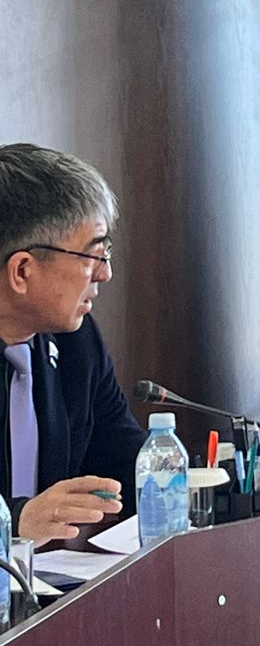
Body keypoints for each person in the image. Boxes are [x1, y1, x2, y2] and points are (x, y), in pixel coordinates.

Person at [0, 143, 146, 544]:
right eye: (92, 254)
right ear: (22, 271)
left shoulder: (78, 343)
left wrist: (196, 486)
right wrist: (16, 521)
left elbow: (126, 464)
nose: (105, 273)